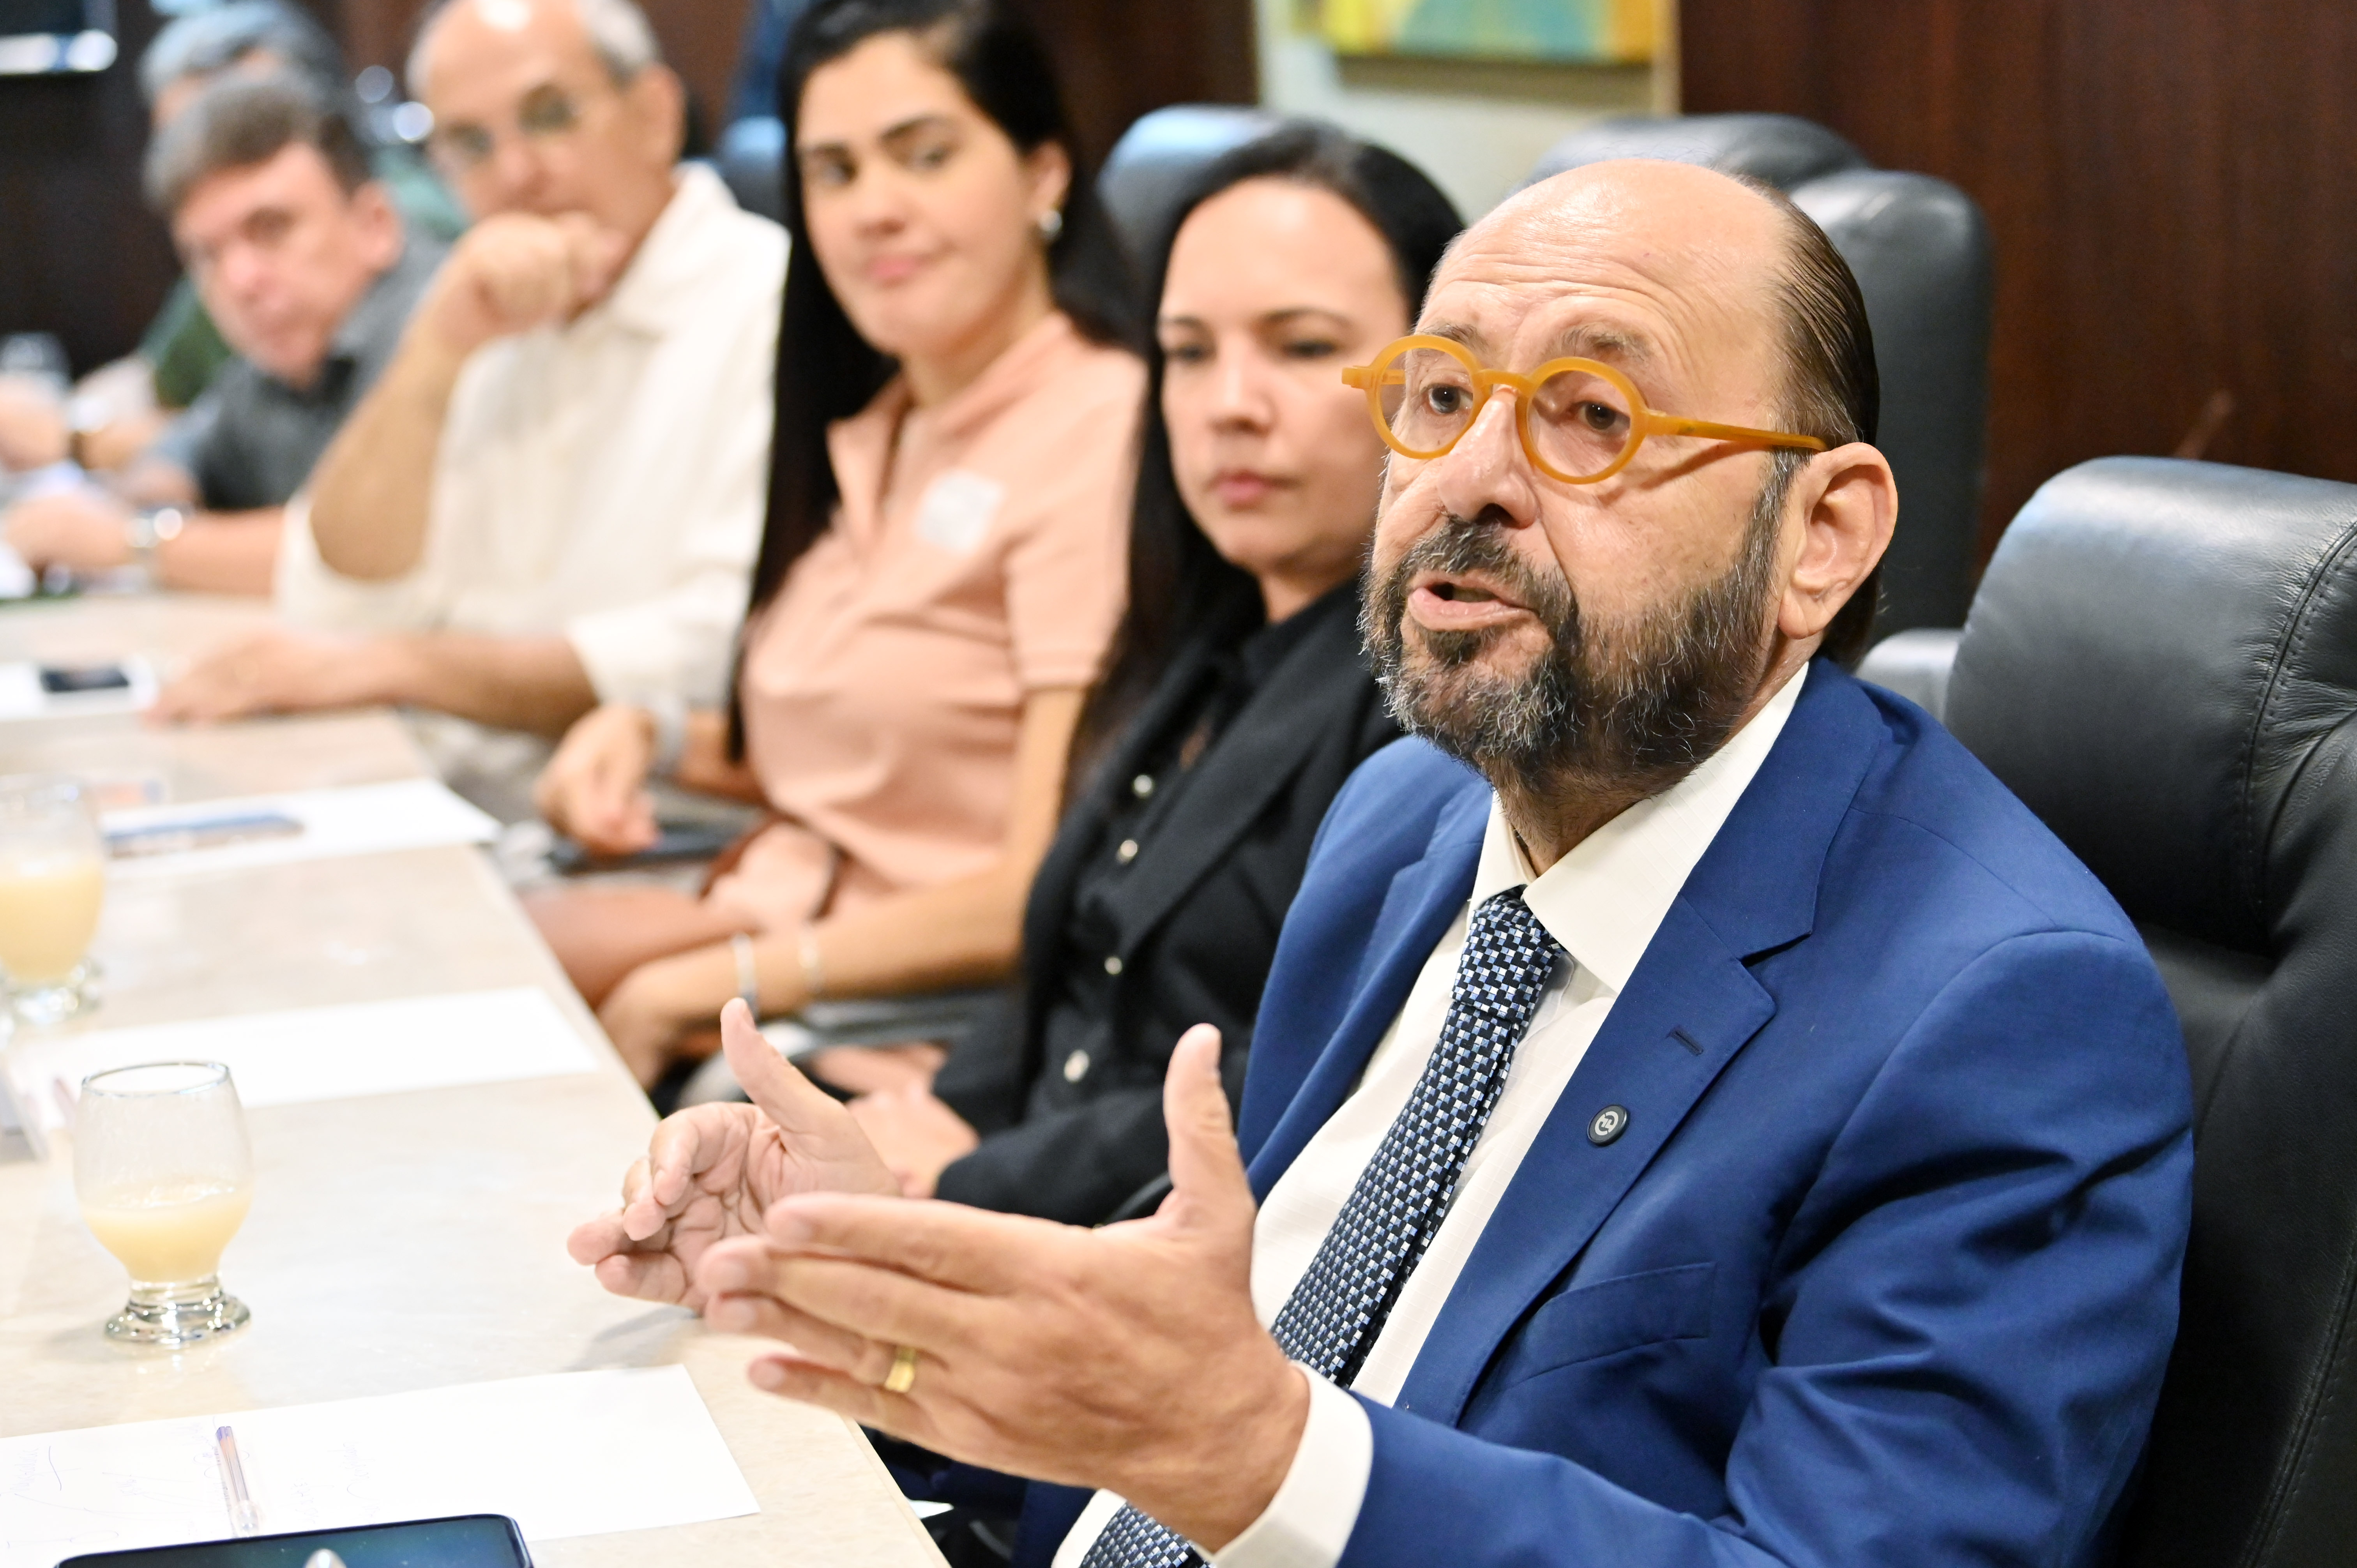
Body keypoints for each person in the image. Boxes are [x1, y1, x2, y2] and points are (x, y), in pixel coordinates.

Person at [571, 158, 2196, 1568]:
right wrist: (888, 1272)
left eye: (1591, 416)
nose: (1469, 479)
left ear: (1820, 536)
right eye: (1437, 396)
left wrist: (1256, 1455)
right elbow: (1189, 1376)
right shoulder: (1405, 822)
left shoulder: (1999, 1014)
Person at [844, 124, 1456, 1223]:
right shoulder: (1204, 632)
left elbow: (1332, 1066)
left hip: (1159, 1244)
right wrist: (948, 1113)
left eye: (1302, 347)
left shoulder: (1439, 697)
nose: (1230, 403)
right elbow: (1074, 957)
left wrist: (972, 1179)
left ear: (1441, 389)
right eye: (1188, 352)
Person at [526, 0, 1142, 1092]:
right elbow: (864, 744)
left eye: (926, 156)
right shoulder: (880, 423)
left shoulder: (1098, 429)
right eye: (836, 172)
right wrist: (652, 733)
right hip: (779, 924)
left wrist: (730, 978)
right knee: (443, 947)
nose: (874, 210)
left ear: (1044, 173)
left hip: (903, 1029)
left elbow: (1043, 880)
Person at [151, 0, 787, 821]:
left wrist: (397, 666)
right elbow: (332, 599)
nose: (515, 174)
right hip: (456, 799)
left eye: (550, 115)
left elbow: (723, 648)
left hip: (651, 829)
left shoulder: (773, 308)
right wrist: (435, 351)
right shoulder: (488, 314)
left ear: (655, 115)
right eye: (471, 144)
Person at [3, 75, 438, 596]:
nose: (239, 281)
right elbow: (187, 451)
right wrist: (150, 497)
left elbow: (376, 544)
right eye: (207, 254)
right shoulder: (276, 364)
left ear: (375, 225)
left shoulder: (440, 328)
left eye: (272, 229)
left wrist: (134, 543)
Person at [68, 1, 469, 475]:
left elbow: (390, 508)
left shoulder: (429, 289)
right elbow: (172, 408)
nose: (241, 280)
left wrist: (81, 446)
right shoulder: (255, 313)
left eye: (250, 115)